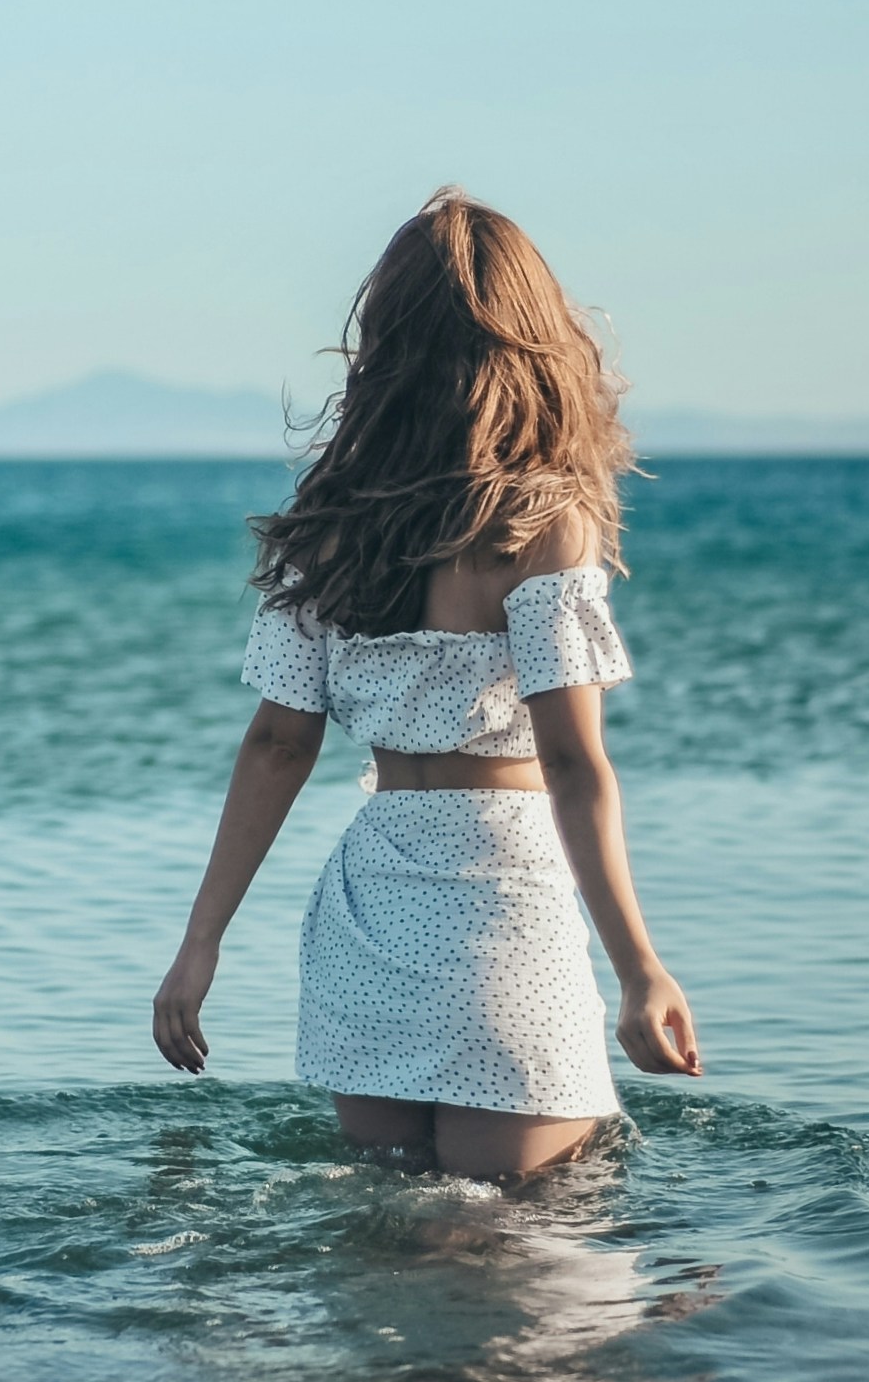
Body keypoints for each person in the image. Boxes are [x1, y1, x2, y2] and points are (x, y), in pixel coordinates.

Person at [152, 191, 701, 1178]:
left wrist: (200, 946)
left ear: (382, 347)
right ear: (535, 341)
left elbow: (279, 743)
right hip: (502, 904)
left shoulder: (328, 526)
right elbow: (573, 763)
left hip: (368, 907)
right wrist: (638, 969)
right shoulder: (543, 524)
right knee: (527, 1264)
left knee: (390, 1249)